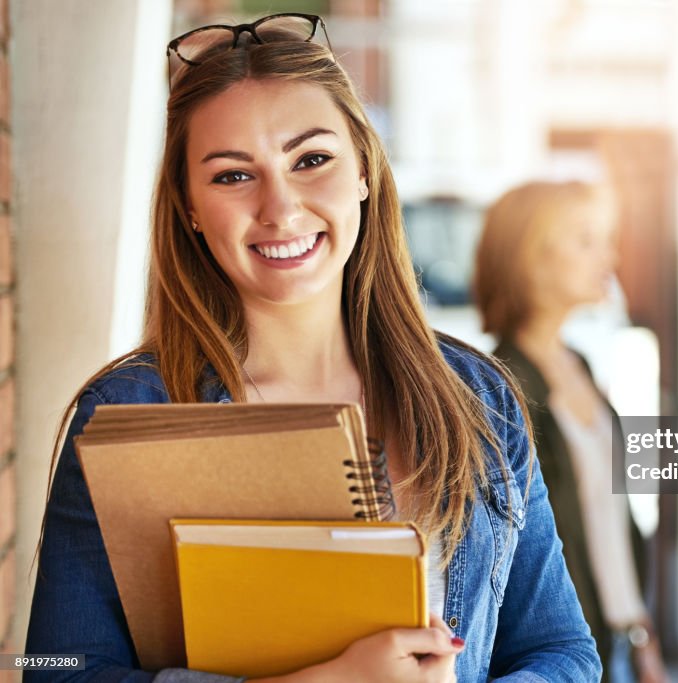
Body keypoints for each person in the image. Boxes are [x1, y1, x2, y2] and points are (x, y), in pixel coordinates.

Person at [25, 14, 600, 683]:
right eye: (233, 176)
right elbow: (50, 666)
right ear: (188, 205)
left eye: (311, 160)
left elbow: (564, 653)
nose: (281, 208)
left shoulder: (480, 399)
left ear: (363, 169)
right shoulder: (126, 412)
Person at [473, 181, 669, 683]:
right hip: (559, 655)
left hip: (618, 641)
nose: (609, 254)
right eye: (585, 240)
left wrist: (643, 636)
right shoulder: (500, 386)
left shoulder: (578, 363)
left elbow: (610, 521)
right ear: (530, 257)